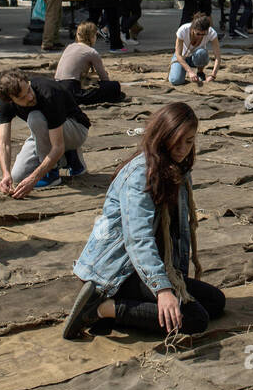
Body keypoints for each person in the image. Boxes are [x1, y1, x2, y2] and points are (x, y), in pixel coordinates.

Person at [63, 102, 225, 339]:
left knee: (215, 302)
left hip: (146, 267)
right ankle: (100, 308)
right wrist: (163, 290)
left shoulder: (178, 170)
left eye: (189, 142)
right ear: (162, 136)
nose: (182, 149)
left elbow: (176, 233)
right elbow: (138, 239)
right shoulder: (141, 174)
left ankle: (128, 303)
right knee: (195, 319)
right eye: (176, 140)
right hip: (118, 269)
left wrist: (174, 281)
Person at [0, 69, 90, 196]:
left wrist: (34, 178)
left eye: (28, 89)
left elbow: (58, 147)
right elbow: (3, 143)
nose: (30, 97)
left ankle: (52, 174)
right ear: (10, 100)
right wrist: (5, 174)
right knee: (17, 176)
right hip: (48, 132)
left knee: (35, 117)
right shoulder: (6, 103)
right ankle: (70, 157)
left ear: (28, 82)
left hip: (76, 129)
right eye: (22, 97)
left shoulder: (48, 93)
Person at [56, 21, 123, 105]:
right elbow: (104, 78)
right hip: (72, 90)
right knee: (114, 86)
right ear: (92, 36)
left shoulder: (70, 46)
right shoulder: (91, 52)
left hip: (57, 87)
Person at [170, 13, 221, 86]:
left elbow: (218, 57)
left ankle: (200, 72)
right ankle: (182, 69)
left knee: (202, 53)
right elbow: (178, 55)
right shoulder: (183, 30)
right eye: (198, 34)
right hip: (182, 57)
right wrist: (190, 71)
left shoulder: (211, 32)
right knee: (176, 80)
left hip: (197, 57)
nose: (200, 37)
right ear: (192, 29)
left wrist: (213, 75)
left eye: (203, 34)